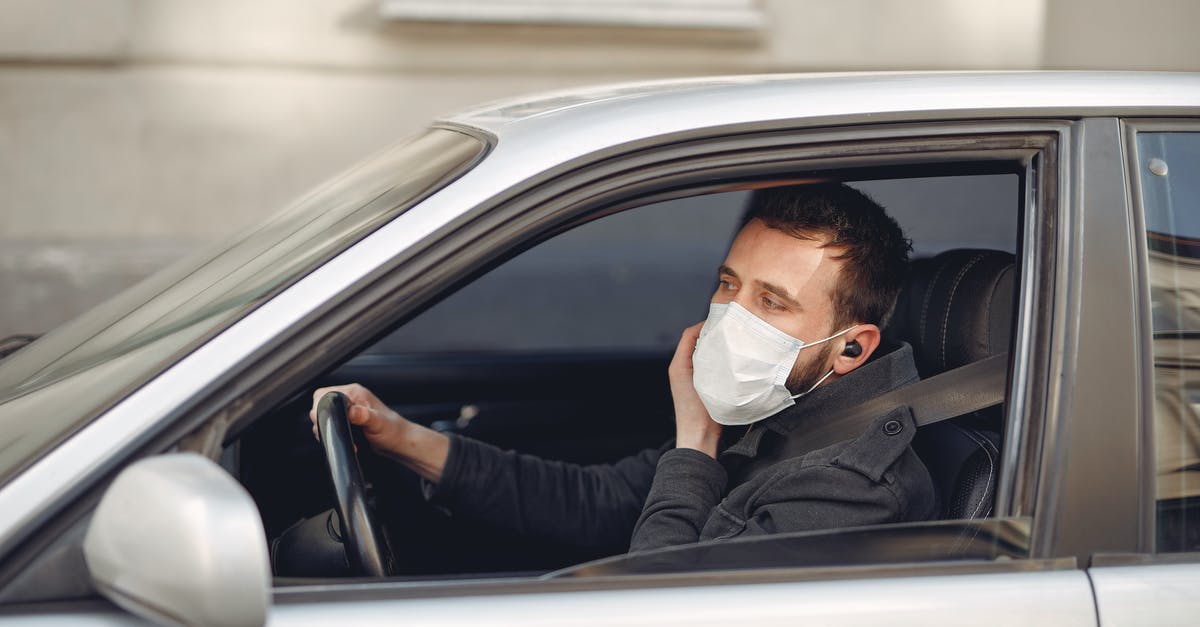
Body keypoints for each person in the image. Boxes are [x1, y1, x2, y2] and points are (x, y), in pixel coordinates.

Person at [310, 183, 935, 556]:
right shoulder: (775, 412)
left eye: (772, 302)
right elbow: (599, 502)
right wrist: (402, 438)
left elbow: (660, 608)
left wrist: (694, 444)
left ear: (851, 349)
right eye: (728, 284)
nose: (729, 315)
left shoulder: (851, 489)